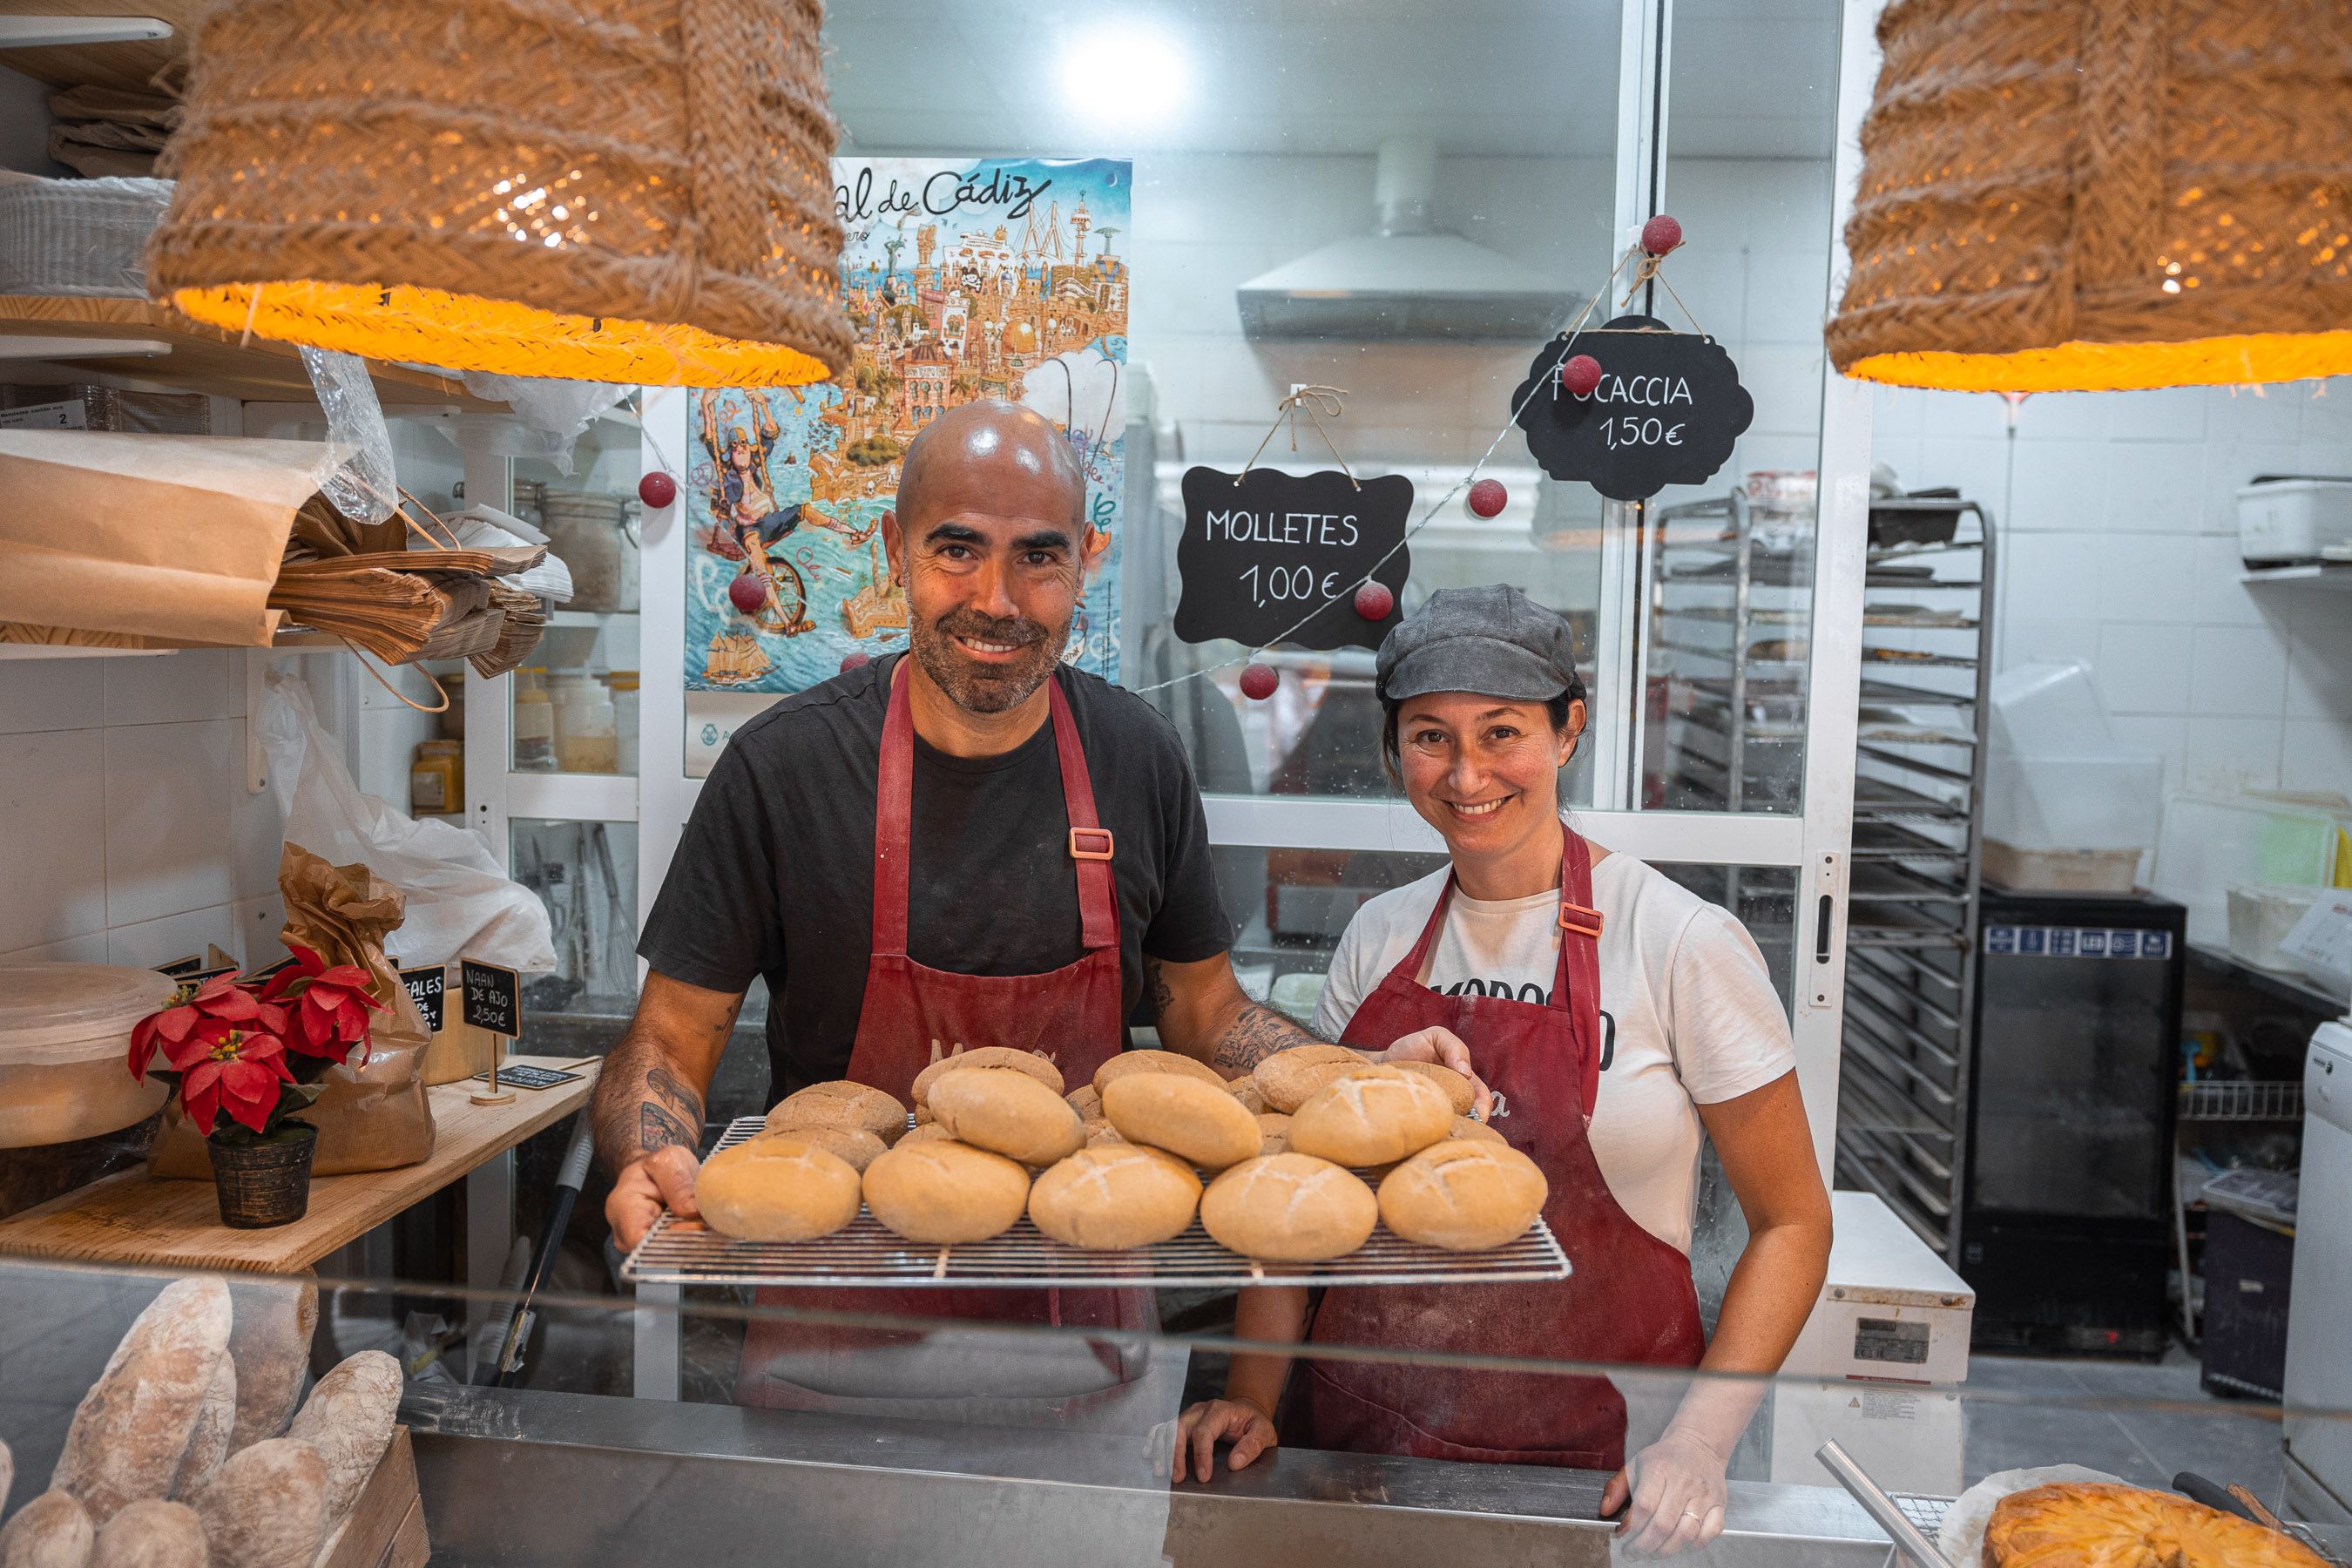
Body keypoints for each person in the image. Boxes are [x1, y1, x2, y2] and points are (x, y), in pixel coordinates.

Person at [594, 399, 1477, 1410]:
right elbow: (669, 1036)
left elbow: (1206, 1015)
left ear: (1085, 560)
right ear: (893, 550)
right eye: (957, 550)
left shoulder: (1135, 757)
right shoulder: (784, 768)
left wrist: (1352, 1082)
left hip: (1084, 1336)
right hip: (832, 1333)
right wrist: (645, 1151)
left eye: (1038, 558)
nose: (998, 601)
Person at [1171, 585, 1833, 1557]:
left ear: (1568, 732)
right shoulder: (1381, 933)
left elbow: (1793, 1223)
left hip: (1600, 1477)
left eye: (1503, 732)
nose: (1467, 772)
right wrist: (1253, 1395)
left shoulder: (1679, 941)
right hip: (1369, 1455)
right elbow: (1302, 1195)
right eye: (1431, 736)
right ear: (1396, 750)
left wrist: (1700, 1440)